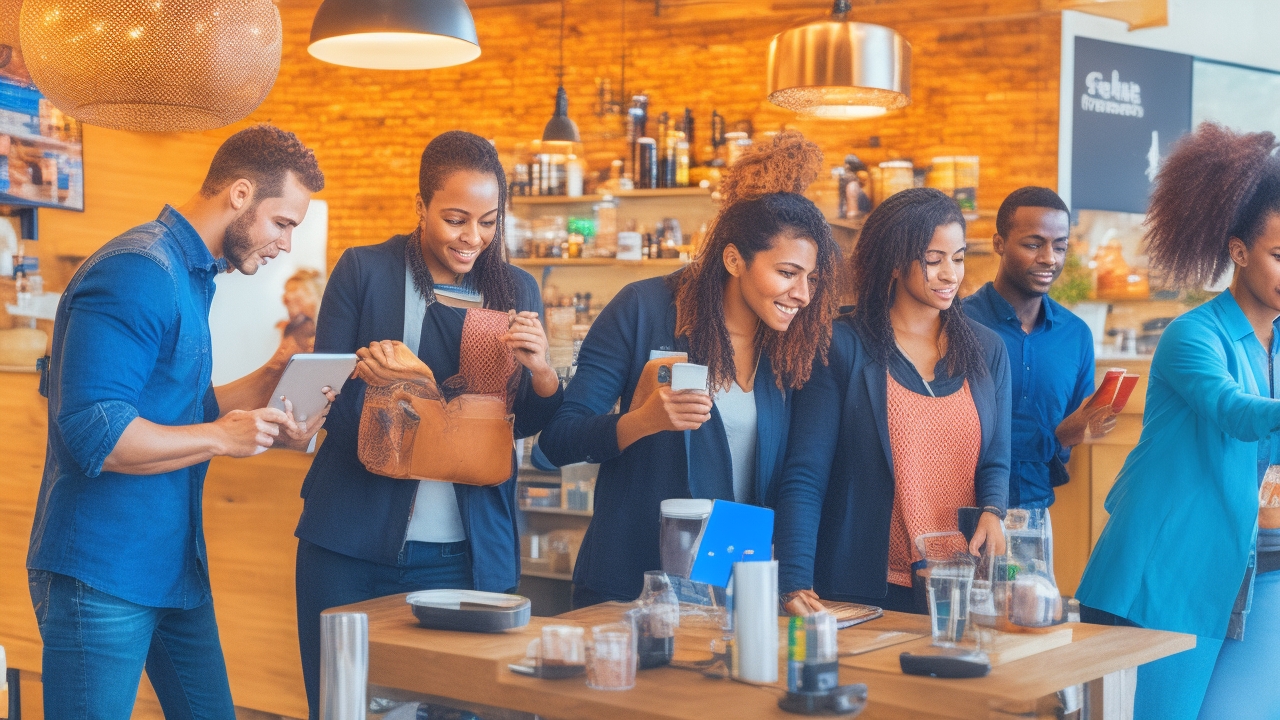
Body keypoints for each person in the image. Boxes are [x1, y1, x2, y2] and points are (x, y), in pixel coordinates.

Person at [27, 125, 328, 719]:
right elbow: (97, 432)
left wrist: (273, 376)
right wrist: (224, 438)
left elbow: (178, 410)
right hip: (102, 574)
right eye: (283, 224)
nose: (286, 245)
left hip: (174, 569)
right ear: (240, 195)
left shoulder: (192, 275)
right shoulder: (136, 271)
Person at [293, 130, 563, 720]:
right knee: (343, 706)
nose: (474, 239)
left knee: (454, 709)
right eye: (456, 219)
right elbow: (330, 399)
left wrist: (541, 370)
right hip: (351, 544)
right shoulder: (364, 271)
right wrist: (432, 408)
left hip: (463, 551)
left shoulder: (515, 289)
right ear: (420, 208)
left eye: (489, 222)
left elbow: (528, 423)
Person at [538, 131, 842, 607]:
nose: (802, 294)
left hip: (732, 581)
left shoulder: (790, 350)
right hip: (634, 582)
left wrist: (791, 580)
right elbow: (558, 440)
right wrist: (641, 422)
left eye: (812, 278)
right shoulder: (643, 308)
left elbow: (798, 477)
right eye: (787, 273)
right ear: (734, 259)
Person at [1076, 123, 1280, 720]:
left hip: (1265, 562)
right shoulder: (1194, 335)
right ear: (1239, 252)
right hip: (1176, 567)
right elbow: (1234, 413)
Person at [777, 187, 1010, 615]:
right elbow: (805, 474)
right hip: (864, 586)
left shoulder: (986, 348)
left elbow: (995, 458)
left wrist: (994, 510)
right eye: (933, 259)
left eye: (958, 258)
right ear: (896, 261)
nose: (950, 275)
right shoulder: (840, 345)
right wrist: (794, 582)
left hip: (961, 585)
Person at [964, 187, 1115, 512]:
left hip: (1035, 513)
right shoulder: (959, 324)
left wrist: (1077, 430)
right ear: (999, 243)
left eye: (1059, 246)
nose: (1050, 258)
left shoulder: (1076, 335)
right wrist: (1054, 438)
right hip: (959, 510)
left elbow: (1070, 437)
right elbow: (952, 433)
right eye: (1034, 244)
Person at [275, 267, 326, 355]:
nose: (286, 297)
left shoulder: (331, 326)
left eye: (293, 290)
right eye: (286, 291)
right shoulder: (290, 329)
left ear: (313, 293)